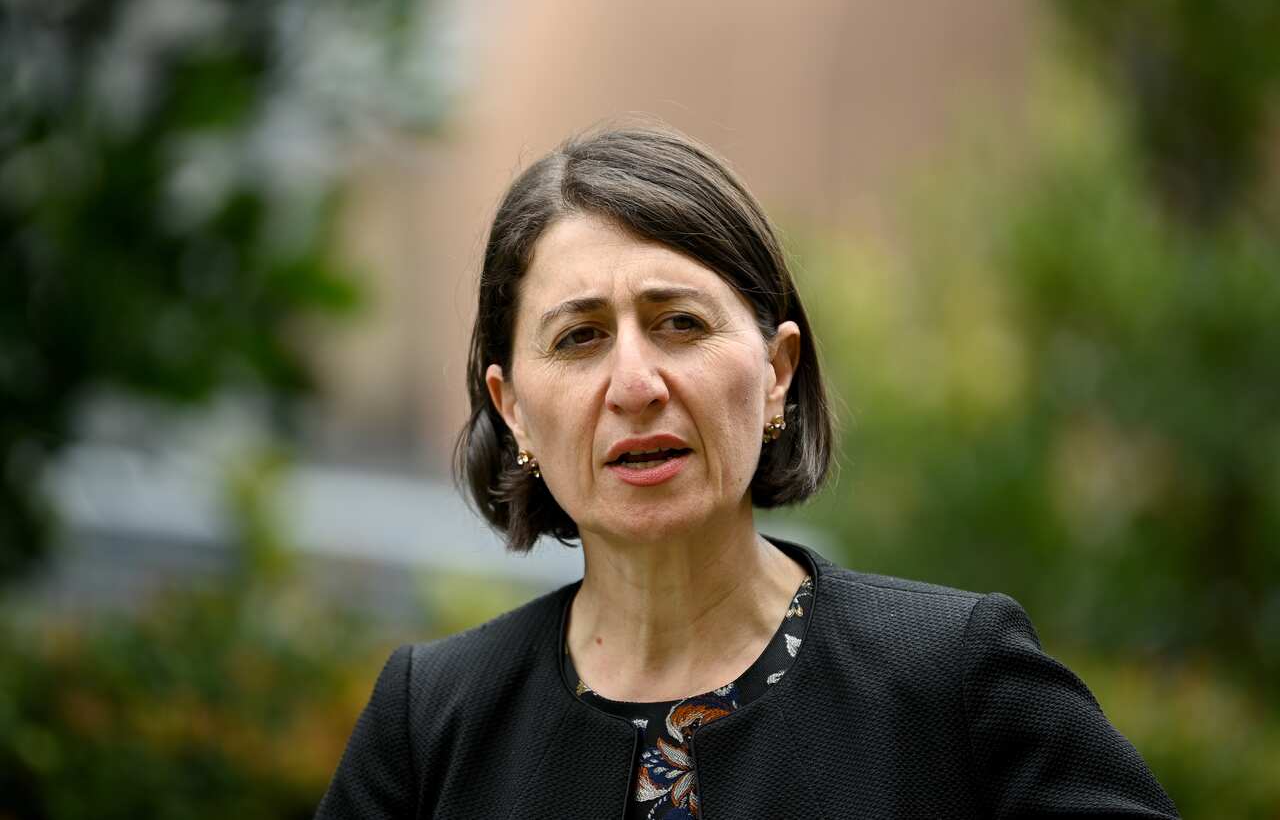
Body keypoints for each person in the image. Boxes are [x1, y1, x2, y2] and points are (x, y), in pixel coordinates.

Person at [315, 124, 1179, 819]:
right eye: (580, 337)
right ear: (513, 410)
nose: (635, 384)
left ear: (777, 372)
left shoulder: (953, 678)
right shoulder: (429, 721)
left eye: (680, 323)